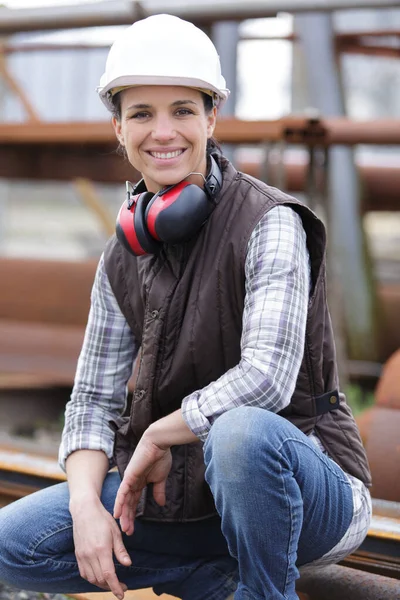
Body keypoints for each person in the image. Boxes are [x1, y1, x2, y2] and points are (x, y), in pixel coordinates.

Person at [0, 14, 372, 600]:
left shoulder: (270, 223)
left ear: (211, 118)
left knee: (242, 435)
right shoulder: (122, 252)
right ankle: (227, 584)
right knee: (14, 543)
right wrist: (85, 509)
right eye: (141, 113)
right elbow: (93, 398)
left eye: (182, 110)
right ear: (118, 127)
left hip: (305, 488)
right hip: (187, 503)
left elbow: (267, 381)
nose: (162, 131)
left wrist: (157, 436)